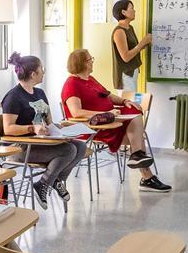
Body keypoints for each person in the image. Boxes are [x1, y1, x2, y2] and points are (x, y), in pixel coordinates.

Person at [62, 49, 171, 193]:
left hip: (109, 121)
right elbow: (76, 112)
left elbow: (108, 95)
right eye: (90, 59)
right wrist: (106, 113)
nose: (92, 61)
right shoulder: (72, 84)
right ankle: (145, 175)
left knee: (134, 110)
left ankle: (139, 159)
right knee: (137, 138)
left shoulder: (91, 79)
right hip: (94, 127)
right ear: (82, 63)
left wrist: (124, 101)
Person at [1, 52, 88, 209]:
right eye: (42, 69)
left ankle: (53, 180)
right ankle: (44, 183)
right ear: (34, 74)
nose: (44, 71)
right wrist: (32, 128)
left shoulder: (40, 93)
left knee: (81, 146)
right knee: (68, 150)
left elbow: (48, 122)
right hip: (21, 148)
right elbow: (8, 128)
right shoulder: (13, 97)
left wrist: (60, 128)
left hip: (43, 142)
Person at [111, 0, 151, 93]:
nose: (134, 11)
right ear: (123, 12)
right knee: (130, 103)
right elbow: (126, 57)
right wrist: (142, 43)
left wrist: (144, 44)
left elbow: (134, 49)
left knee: (135, 101)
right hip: (125, 75)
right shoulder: (119, 31)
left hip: (133, 72)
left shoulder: (130, 28)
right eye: (131, 8)